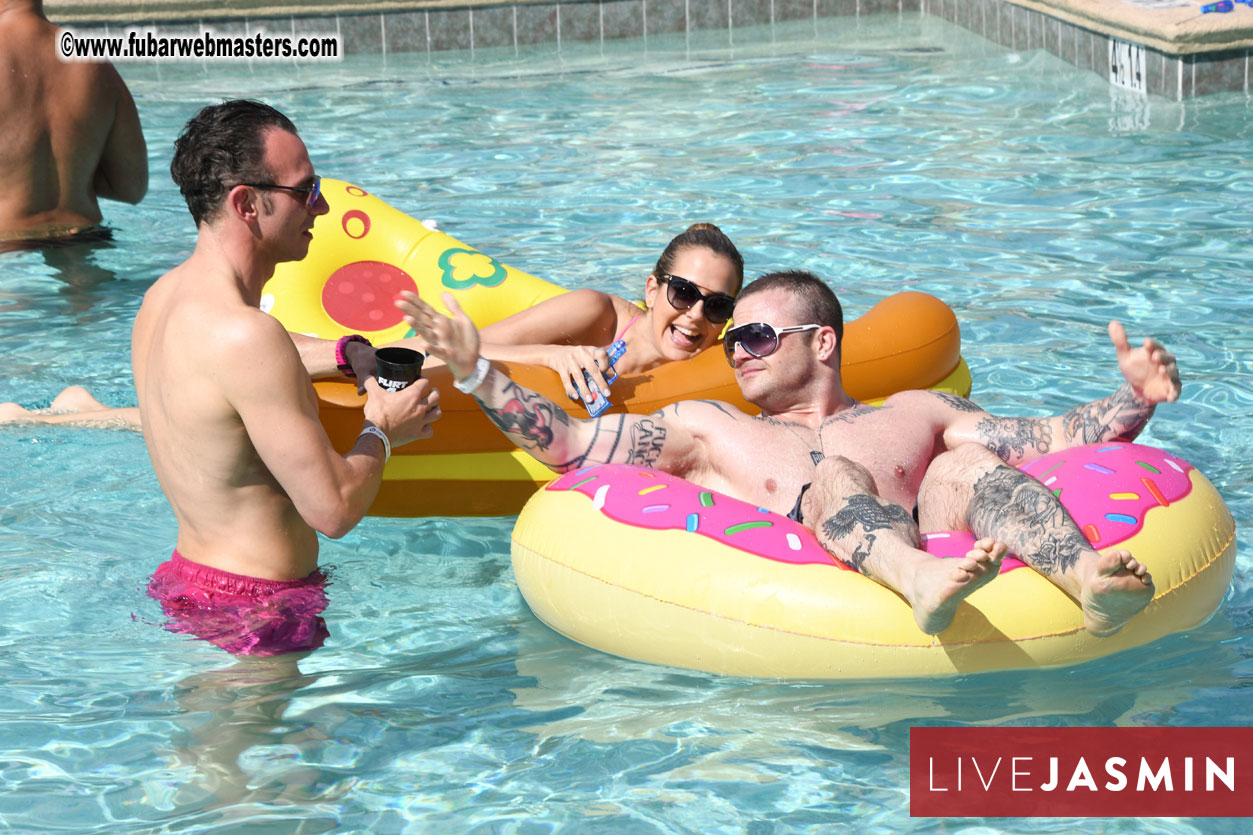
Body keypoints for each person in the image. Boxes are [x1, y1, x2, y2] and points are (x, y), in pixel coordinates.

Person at [400, 270, 1179, 637]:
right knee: (831, 475)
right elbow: (571, 446)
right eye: (731, 340)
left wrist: (1135, 396)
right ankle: (915, 580)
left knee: (964, 466)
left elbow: (1051, 438)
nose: (736, 350)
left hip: (940, 526)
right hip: (835, 574)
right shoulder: (711, 427)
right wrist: (478, 372)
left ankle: (1088, 580)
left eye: (755, 335)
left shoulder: (915, 410)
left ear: (823, 342)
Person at [133, 99, 440, 656]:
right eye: (306, 190)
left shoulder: (162, 300)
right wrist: (383, 429)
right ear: (247, 204)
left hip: (188, 579)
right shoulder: (250, 337)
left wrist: (346, 351)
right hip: (260, 606)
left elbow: (227, 368)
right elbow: (334, 510)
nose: (321, 206)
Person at [1, 222, 744, 426]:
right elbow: (467, 347)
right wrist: (557, 354)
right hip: (415, 364)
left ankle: (87, 409)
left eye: (717, 304)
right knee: (251, 403)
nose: (696, 314)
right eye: (684, 292)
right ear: (653, 287)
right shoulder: (598, 313)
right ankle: (61, 415)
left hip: (458, 401)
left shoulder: (714, 368)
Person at [0, 0, 148, 244]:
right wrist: (75, 169)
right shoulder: (92, 60)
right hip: (84, 238)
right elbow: (132, 188)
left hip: (8, 247)